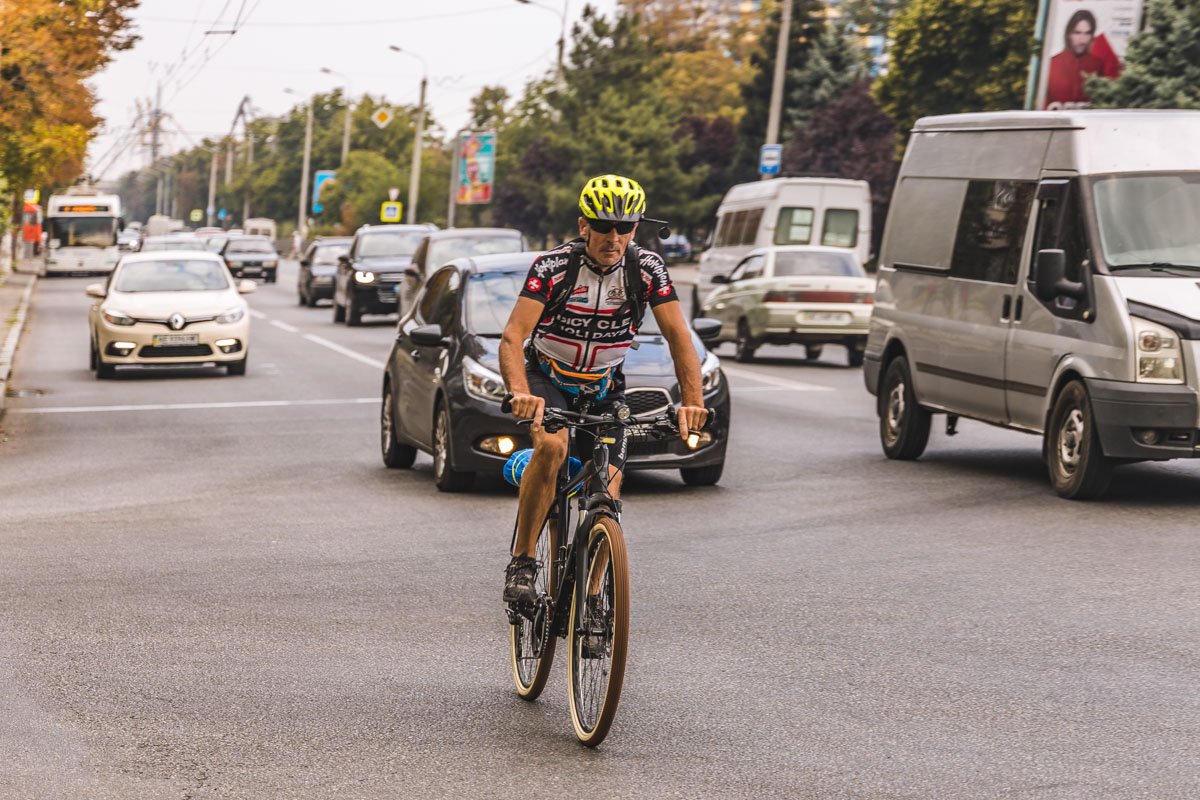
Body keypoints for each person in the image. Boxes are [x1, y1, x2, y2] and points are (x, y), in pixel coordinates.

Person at [498, 174, 709, 606]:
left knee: (606, 497)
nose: (613, 237)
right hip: (548, 380)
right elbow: (512, 337)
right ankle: (522, 563)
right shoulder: (553, 268)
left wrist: (693, 402)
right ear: (583, 226)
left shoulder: (646, 269)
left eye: (625, 228)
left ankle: (592, 597)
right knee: (553, 449)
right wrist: (521, 392)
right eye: (603, 226)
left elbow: (679, 337)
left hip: (603, 386)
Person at [1044, 8, 1121, 110]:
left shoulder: (1099, 65)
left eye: (1087, 33)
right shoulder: (1052, 64)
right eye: (1077, 33)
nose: (1082, 39)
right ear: (1068, 34)